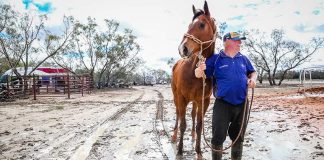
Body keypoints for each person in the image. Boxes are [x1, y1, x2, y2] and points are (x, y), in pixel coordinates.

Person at [195, 32, 257, 160]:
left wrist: (253, 80)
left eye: (240, 41)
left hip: (242, 104)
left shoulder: (243, 59)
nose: (240, 43)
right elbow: (198, 74)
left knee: (239, 137)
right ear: (227, 41)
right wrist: (200, 69)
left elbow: (253, 72)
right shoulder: (216, 58)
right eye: (237, 40)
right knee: (218, 137)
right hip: (222, 104)